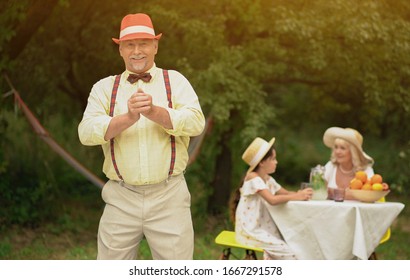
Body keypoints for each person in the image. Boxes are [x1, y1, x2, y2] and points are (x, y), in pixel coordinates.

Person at [78, 13, 205, 260]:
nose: (137, 51)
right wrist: (127, 118)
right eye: (130, 44)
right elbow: (85, 133)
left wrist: (155, 112)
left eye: (144, 43)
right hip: (121, 196)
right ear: (121, 50)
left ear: (155, 46)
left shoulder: (175, 81)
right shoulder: (104, 87)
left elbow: (196, 122)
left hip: (170, 195)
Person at [231, 136, 313, 260]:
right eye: (273, 159)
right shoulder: (253, 177)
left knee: (296, 243)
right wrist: (297, 196)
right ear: (262, 162)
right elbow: (272, 199)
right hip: (250, 231)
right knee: (289, 252)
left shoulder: (268, 179)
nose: (276, 162)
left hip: (263, 228)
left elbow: (285, 193)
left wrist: (302, 194)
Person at [322, 127, 375, 200]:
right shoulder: (330, 166)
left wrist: (332, 192)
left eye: (342, 148)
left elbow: (370, 194)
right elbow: (319, 190)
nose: (337, 152)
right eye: (336, 147)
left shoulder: (366, 170)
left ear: (353, 152)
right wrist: (352, 194)